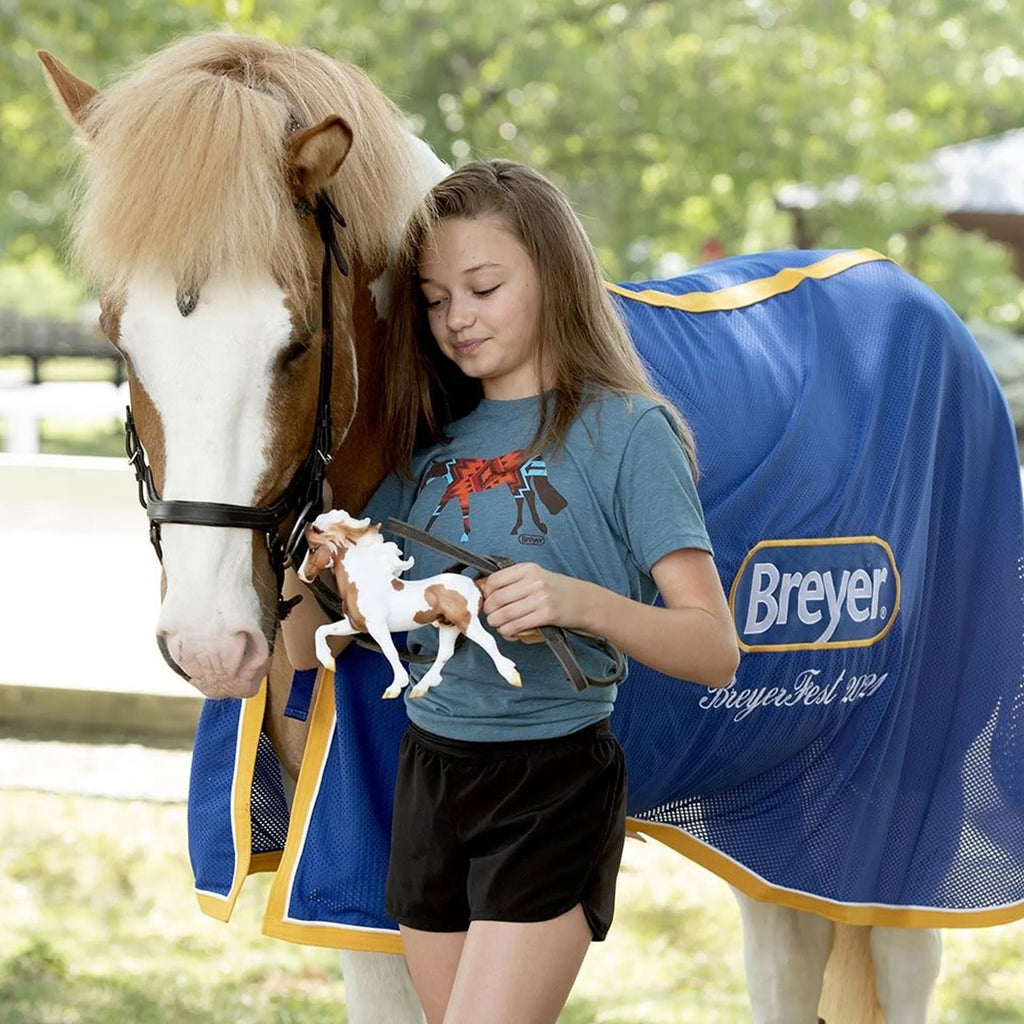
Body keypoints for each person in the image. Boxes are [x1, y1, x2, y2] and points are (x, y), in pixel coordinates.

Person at [282, 159, 739, 1024]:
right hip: (428, 782)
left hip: (550, 786)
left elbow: (714, 650)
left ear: (554, 275)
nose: (457, 318)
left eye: (483, 287)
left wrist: (578, 603)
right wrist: (297, 555)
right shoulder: (423, 454)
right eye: (435, 297)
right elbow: (312, 642)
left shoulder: (628, 432)